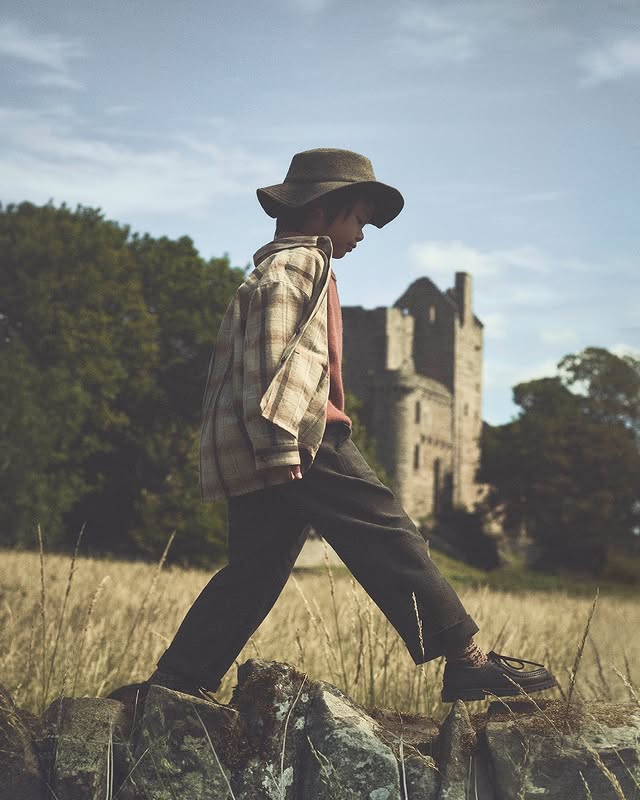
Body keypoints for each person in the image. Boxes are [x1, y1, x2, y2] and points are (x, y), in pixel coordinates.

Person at [113, 148, 556, 704]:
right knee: (389, 530)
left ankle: (177, 683)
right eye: (358, 220)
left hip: (272, 437)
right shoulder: (297, 265)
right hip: (299, 432)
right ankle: (467, 660)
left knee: (253, 570)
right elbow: (274, 360)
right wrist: (280, 445)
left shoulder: (288, 265)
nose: (363, 235)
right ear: (321, 211)